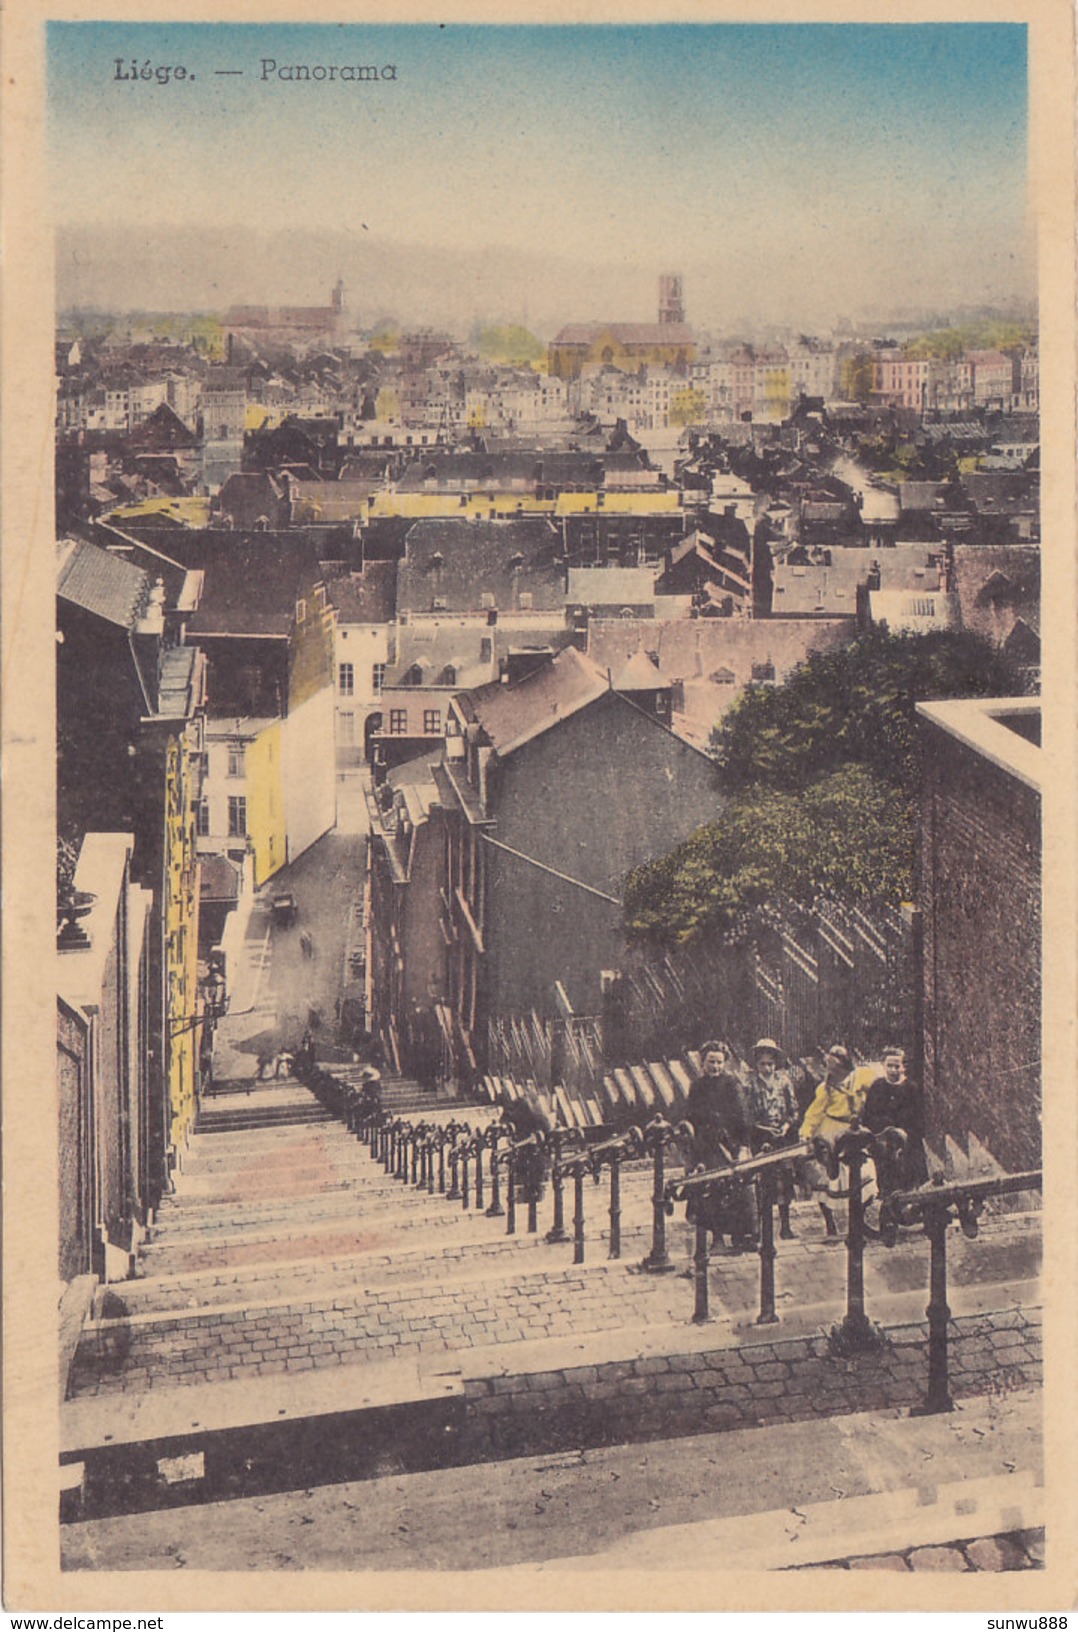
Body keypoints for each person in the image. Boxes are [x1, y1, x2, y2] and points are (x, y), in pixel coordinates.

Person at [685, 1040, 757, 1252]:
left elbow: (743, 1116)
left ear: (725, 1063)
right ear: (702, 1062)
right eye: (711, 1062)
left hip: (731, 1143)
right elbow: (690, 1116)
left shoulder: (732, 1084)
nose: (715, 1067)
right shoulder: (697, 1086)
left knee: (739, 1190)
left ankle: (741, 1236)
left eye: (719, 1062)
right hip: (707, 1146)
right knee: (711, 1191)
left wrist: (743, 1146)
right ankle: (717, 1238)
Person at [799, 1043, 873, 1240]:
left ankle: (859, 1220)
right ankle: (830, 1224)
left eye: (838, 1066)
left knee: (863, 1176)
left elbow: (877, 1081)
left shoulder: (860, 1077)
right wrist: (806, 1132)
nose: (835, 1071)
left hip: (853, 1131)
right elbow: (814, 1112)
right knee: (828, 1180)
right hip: (830, 1131)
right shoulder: (825, 1088)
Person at [746, 1038, 800, 1240]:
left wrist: (785, 1127)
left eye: (770, 1063)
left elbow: (793, 1110)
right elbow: (747, 1116)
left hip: (782, 1137)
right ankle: (760, 1228)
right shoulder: (750, 1085)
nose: (767, 1068)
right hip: (761, 1138)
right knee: (763, 1181)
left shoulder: (784, 1082)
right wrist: (762, 1129)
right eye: (763, 1064)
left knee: (785, 1179)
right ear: (756, 1064)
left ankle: (785, 1226)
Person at [862, 1046, 929, 1196]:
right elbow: (868, 1115)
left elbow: (918, 1116)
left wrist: (907, 1132)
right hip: (884, 1142)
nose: (893, 1070)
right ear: (884, 1066)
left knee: (910, 1176)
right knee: (886, 1177)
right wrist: (882, 1128)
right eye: (889, 1066)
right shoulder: (877, 1087)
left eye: (897, 1066)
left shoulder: (911, 1088)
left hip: (907, 1142)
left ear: (903, 1067)